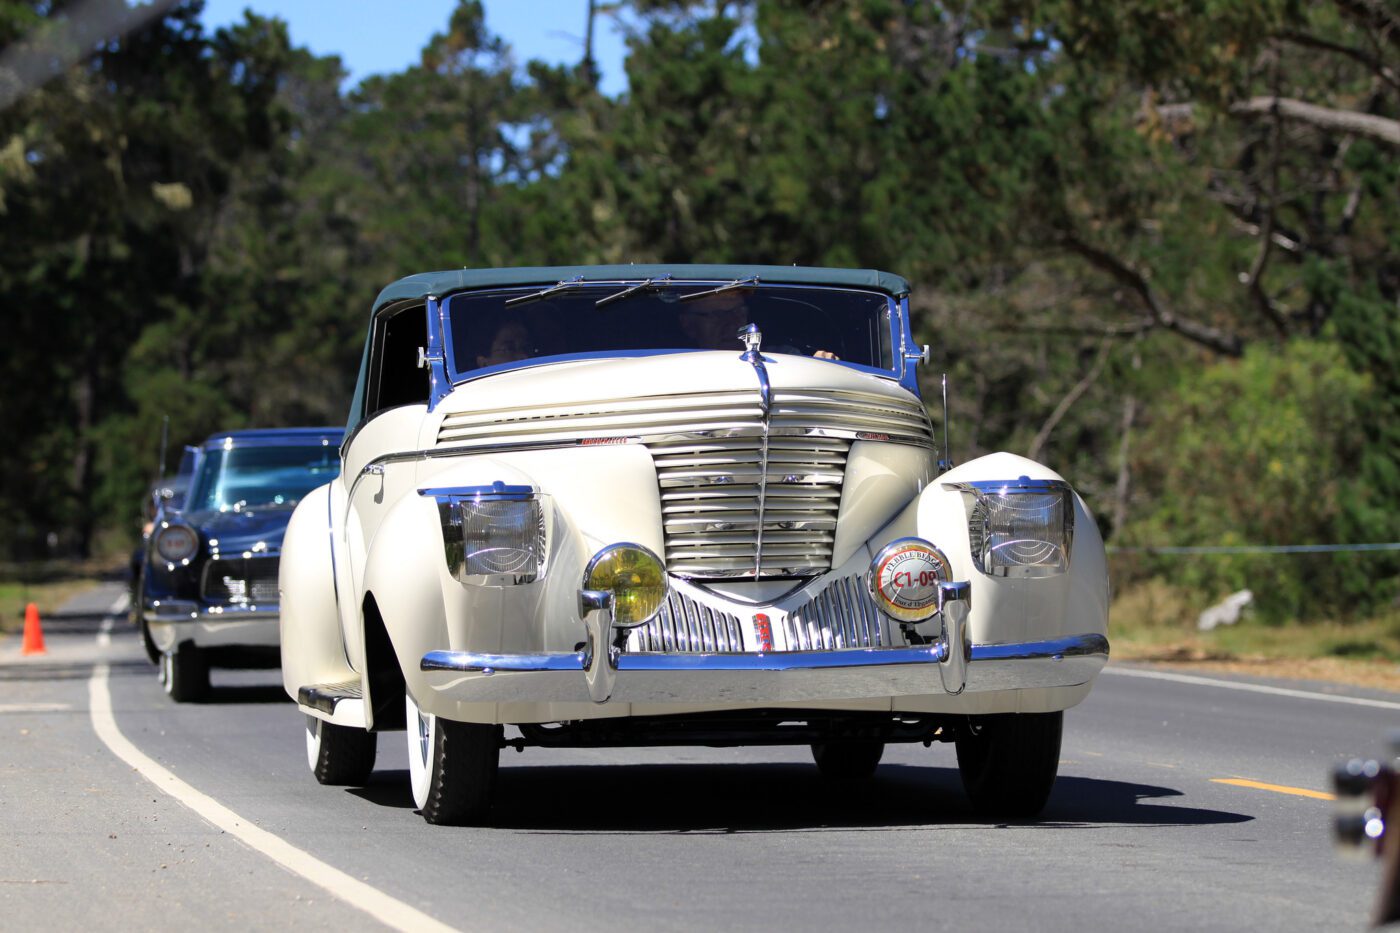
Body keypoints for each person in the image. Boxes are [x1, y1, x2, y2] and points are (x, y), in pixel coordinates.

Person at [678, 290, 838, 359]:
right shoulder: (673, 367)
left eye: (738, 312)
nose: (731, 324)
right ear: (689, 325)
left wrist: (821, 362)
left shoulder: (780, 358)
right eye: (717, 315)